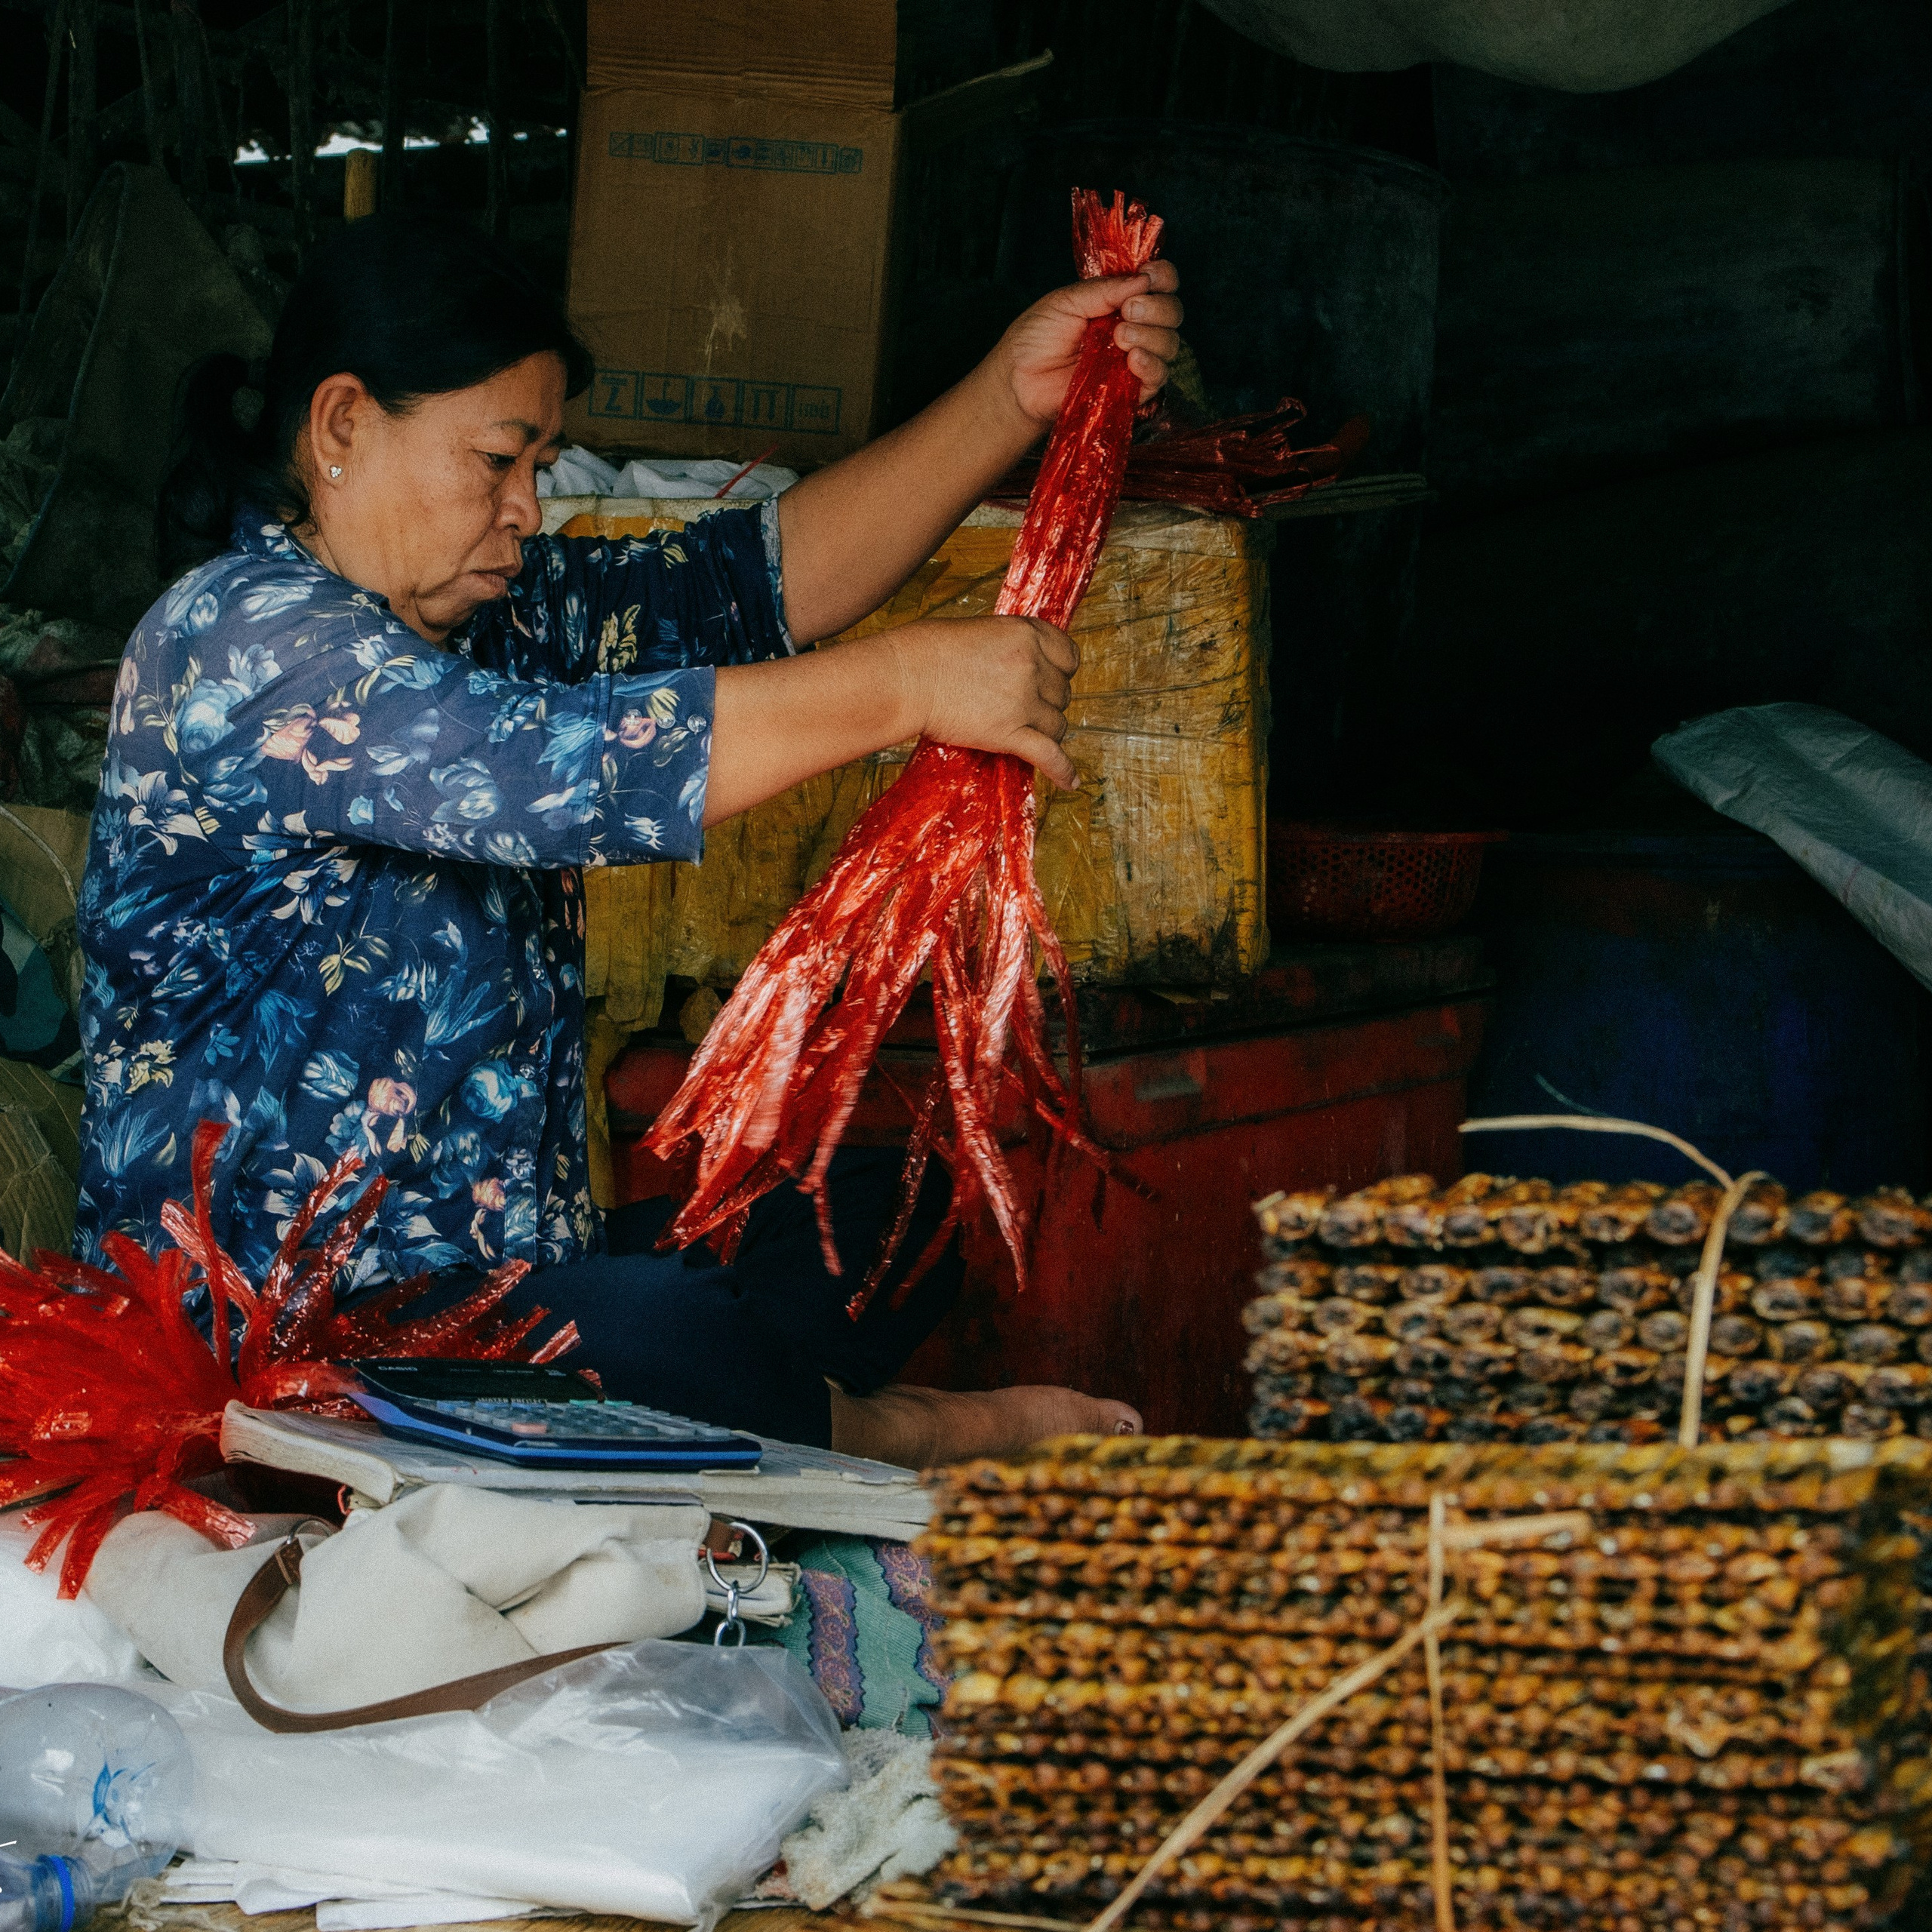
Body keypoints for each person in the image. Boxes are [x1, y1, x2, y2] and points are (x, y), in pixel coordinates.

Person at [76, 212, 1183, 1466]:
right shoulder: (243, 638)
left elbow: (753, 585)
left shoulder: (479, 615)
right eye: (497, 460)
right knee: (664, 1333)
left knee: (888, 1215)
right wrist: (913, 683)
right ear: (341, 425)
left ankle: (721, 1402)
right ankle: (883, 1429)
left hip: (508, 1282)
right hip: (299, 1334)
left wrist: (1007, 397)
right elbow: (560, 772)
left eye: (541, 464)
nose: (528, 510)